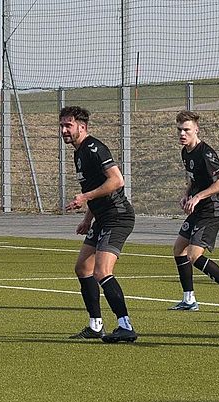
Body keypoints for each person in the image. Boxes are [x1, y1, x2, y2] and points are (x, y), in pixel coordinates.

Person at [60, 106, 138, 343]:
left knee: (102, 271)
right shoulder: (78, 153)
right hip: (102, 217)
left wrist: (84, 199)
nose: (63, 130)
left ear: (81, 127)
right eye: (62, 125)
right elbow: (91, 189)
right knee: (83, 269)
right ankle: (96, 325)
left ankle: (125, 326)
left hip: (118, 216)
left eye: (68, 125)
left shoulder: (94, 148)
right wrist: (87, 218)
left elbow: (117, 180)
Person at [170, 111, 219, 313]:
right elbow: (194, 179)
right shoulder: (186, 152)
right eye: (179, 130)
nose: (182, 134)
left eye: (186, 130)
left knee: (194, 255)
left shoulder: (206, 153)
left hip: (212, 210)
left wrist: (198, 197)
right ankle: (189, 300)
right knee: (179, 249)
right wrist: (187, 194)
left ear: (196, 129)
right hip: (199, 208)